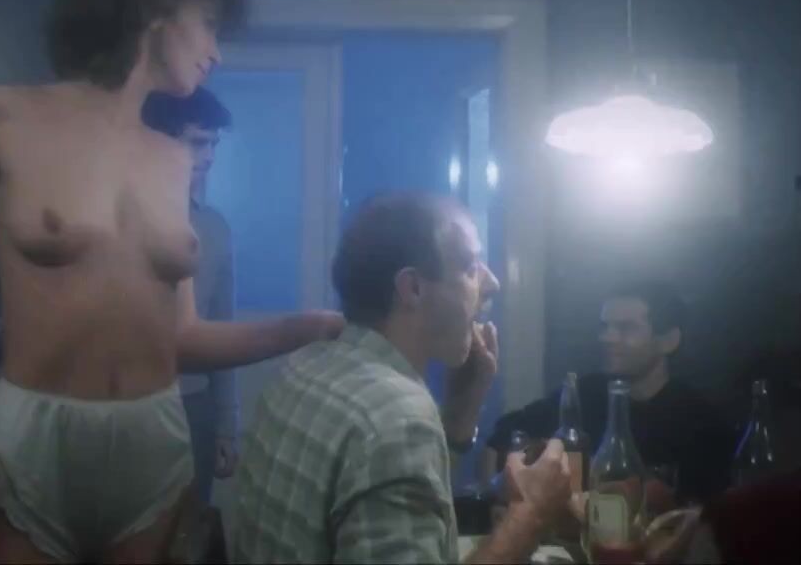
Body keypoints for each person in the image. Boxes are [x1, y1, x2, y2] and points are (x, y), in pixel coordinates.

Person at [0, 0, 342, 564]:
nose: (216, 51)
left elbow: (183, 339)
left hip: (152, 438)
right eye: (210, 24)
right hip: (35, 434)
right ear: (158, 6)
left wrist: (310, 326)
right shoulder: (8, 116)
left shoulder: (172, 158)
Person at [231, 193, 573, 564]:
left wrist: (460, 414)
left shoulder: (302, 366)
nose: (491, 283)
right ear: (413, 288)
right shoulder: (396, 418)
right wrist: (530, 515)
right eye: (470, 266)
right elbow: (390, 441)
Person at [486, 280, 737, 506]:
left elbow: (710, 510)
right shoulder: (585, 393)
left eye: (626, 328)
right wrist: (504, 491)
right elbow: (502, 437)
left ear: (668, 340)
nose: (608, 337)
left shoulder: (700, 422)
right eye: (605, 327)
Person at [142, 86, 239, 504]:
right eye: (199, 142)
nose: (210, 156)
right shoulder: (115, 214)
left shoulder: (214, 228)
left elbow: (222, 328)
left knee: (189, 525)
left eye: (214, 144)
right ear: (160, 140)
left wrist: (226, 425)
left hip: (193, 403)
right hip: (126, 402)